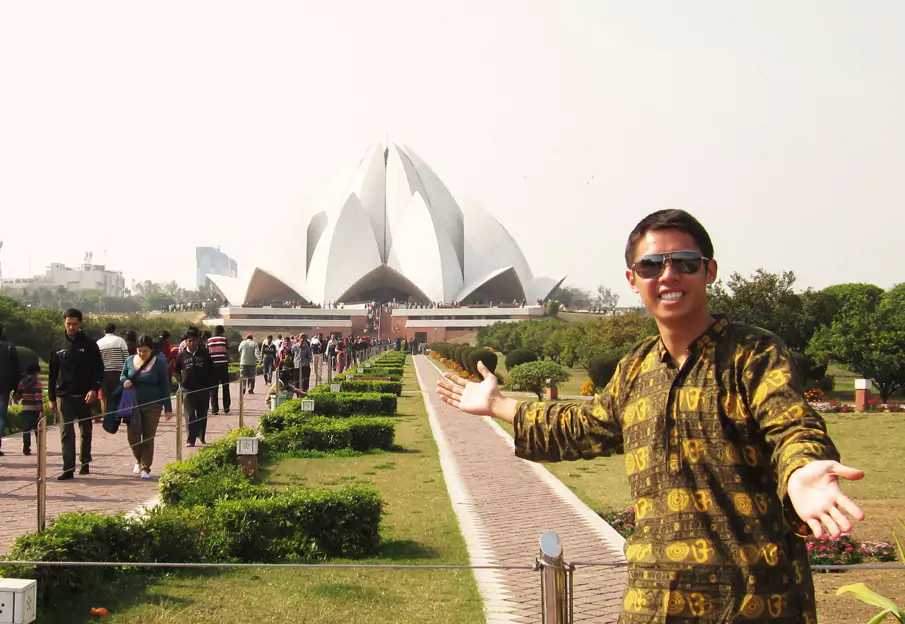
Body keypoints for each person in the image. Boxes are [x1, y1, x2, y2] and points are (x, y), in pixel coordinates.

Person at [437, 209, 865, 623]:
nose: (668, 275)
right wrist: (497, 405)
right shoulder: (637, 368)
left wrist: (801, 469)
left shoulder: (753, 354)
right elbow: (584, 426)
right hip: (654, 602)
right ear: (632, 279)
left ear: (709, 271)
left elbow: (789, 423)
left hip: (754, 602)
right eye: (651, 265)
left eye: (685, 263)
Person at [48, 308, 104, 479]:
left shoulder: (89, 344)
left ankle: (85, 461)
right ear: (64, 322)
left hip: (84, 395)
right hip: (63, 395)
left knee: (85, 430)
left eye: (74, 324)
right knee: (66, 432)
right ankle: (68, 468)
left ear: (80, 324)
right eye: (68, 324)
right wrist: (51, 398)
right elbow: (52, 373)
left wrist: (94, 389)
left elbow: (98, 369)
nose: (71, 327)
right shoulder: (58, 346)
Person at [121, 335, 173, 478]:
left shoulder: (158, 364)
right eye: (139, 351)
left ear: (151, 350)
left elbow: (164, 386)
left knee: (148, 436)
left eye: (145, 351)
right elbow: (123, 375)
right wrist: (125, 380)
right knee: (133, 436)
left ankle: (146, 467)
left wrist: (168, 408)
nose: (142, 354)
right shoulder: (129, 361)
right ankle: (138, 459)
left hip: (153, 405)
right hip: (133, 404)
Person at [174, 328, 213, 447]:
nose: (191, 343)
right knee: (190, 414)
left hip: (203, 389)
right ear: (185, 342)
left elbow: (212, 370)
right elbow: (175, 371)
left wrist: (210, 385)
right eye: (188, 341)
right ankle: (190, 439)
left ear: (197, 341)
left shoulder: (205, 354)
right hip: (187, 390)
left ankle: (201, 435)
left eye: (193, 340)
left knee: (202, 414)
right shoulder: (181, 355)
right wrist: (180, 380)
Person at [96, 323, 129, 420]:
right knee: (118, 394)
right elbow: (126, 358)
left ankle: (107, 417)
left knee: (106, 396)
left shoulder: (99, 343)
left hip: (104, 373)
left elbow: (97, 360)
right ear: (115, 331)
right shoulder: (120, 341)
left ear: (104, 331)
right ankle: (117, 416)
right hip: (118, 372)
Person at [0, 323, 21, 456]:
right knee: (0, 416)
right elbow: (15, 370)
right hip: (4, 386)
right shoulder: (9, 347)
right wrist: (16, 390)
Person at [13, 362, 43, 456]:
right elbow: (38, 398)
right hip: (35, 410)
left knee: (26, 430)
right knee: (38, 430)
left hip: (25, 409)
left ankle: (26, 448)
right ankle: (40, 448)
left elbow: (18, 395)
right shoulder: (37, 383)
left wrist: (16, 399)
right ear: (36, 372)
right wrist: (41, 410)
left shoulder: (22, 382)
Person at [206, 325, 230, 414]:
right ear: (222, 332)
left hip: (213, 365)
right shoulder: (224, 339)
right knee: (225, 386)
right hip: (223, 364)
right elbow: (227, 352)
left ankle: (215, 409)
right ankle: (226, 407)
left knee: (213, 387)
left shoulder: (209, 341)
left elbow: (207, 353)